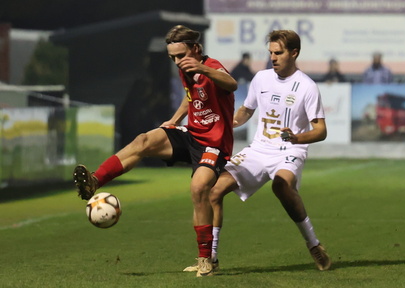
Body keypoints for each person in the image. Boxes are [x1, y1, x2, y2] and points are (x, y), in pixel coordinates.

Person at [73, 24, 237, 277]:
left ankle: (206, 259)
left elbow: (231, 83)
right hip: (192, 134)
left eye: (181, 55)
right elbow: (191, 96)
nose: (178, 61)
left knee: (198, 187)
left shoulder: (211, 66)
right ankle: (96, 180)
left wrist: (203, 68)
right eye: (173, 57)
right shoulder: (187, 69)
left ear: (196, 48)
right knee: (142, 141)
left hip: (214, 144)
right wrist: (174, 120)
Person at [183, 29, 331, 273]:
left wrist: (297, 137)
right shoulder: (261, 78)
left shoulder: (307, 86)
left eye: (279, 53)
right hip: (259, 149)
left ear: (294, 53)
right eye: (271, 52)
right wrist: (227, 121)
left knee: (281, 186)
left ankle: (314, 244)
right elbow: (246, 110)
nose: (273, 57)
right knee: (214, 191)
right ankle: (211, 258)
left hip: (288, 150)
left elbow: (321, 130)